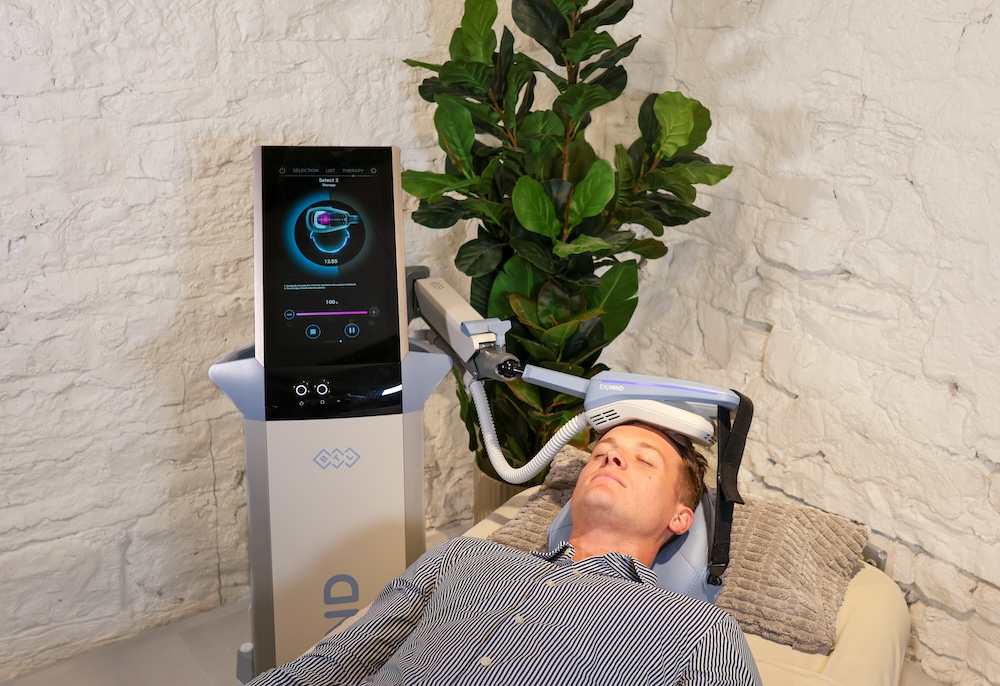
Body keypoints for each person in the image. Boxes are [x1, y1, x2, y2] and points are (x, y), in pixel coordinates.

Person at [249, 422, 762, 686]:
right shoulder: (464, 558)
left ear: (680, 518)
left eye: (643, 462)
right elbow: (338, 661)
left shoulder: (697, 630)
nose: (611, 458)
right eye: (603, 453)